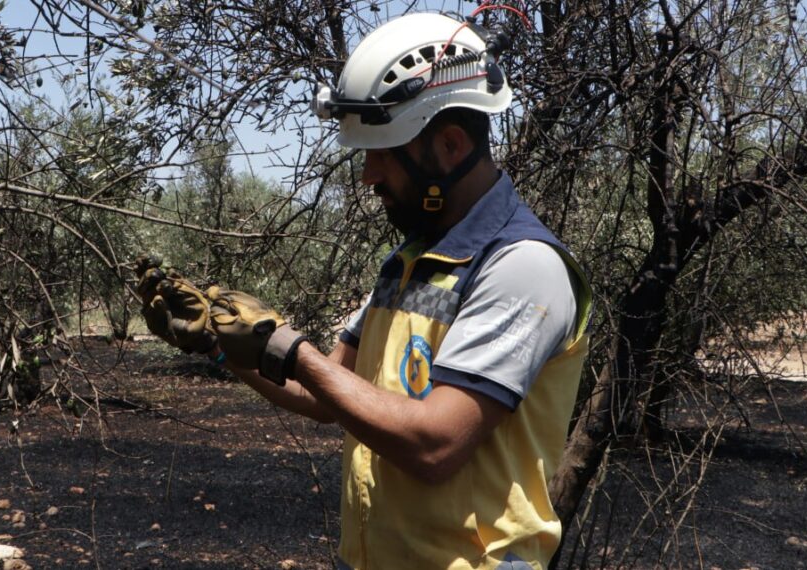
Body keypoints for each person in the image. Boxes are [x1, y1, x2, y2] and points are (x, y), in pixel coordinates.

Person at [137, 10, 593, 570]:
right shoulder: (409, 263)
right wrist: (221, 344)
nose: (369, 176)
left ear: (449, 145)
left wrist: (287, 347)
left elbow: (435, 445)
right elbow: (325, 395)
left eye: (384, 153)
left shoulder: (523, 268)